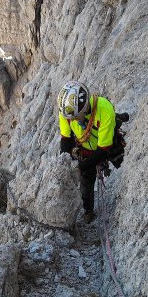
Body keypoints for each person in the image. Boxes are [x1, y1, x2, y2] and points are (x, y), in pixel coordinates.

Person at [57, 81, 119, 224]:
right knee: (86, 181)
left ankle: (88, 211)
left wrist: (81, 168)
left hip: (103, 145)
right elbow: (66, 141)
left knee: (86, 173)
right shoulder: (66, 111)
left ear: (84, 108)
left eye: (74, 117)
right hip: (83, 146)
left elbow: (103, 151)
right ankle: (88, 209)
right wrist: (67, 165)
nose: (70, 120)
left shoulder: (104, 110)